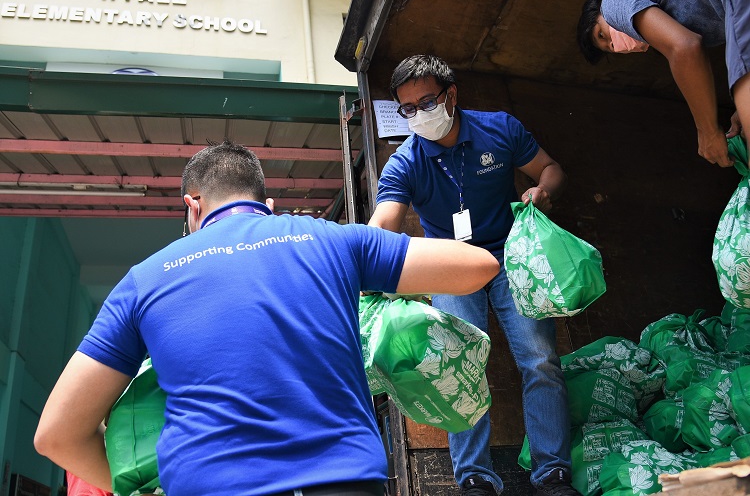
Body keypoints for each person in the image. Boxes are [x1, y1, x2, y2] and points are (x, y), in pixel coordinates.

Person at [34, 141, 500, 496]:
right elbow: (477, 267)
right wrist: (362, 279)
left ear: (192, 207)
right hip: (345, 482)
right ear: (267, 205)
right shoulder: (330, 241)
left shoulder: (145, 280)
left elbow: (57, 434)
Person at [367, 55, 576, 496]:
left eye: (427, 102)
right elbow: (383, 224)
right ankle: (476, 479)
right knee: (458, 368)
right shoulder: (405, 163)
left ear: (452, 95)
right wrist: (354, 263)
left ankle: (553, 473)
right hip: (449, 265)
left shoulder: (499, 128)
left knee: (540, 361)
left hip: (509, 258)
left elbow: (551, 169)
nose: (419, 115)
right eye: (408, 109)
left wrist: (543, 191)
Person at [576, 0, 749, 168]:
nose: (615, 46)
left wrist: (708, 131)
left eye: (603, 35)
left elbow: (685, 48)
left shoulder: (613, 1)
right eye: (610, 49)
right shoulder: (697, 12)